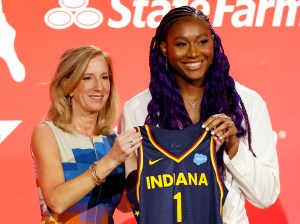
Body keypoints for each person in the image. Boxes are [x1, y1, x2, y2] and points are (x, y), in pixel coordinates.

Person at [119, 6, 280, 224]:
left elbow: (266, 196)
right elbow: (134, 195)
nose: (194, 52)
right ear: (165, 49)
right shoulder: (138, 108)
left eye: (202, 42)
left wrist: (232, 146)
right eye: (181, 44)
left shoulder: (247, 103)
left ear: (213, 43)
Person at [31, 45, 142, 223]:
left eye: (104, 78)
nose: (99, 87)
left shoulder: (114, 142)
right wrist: (111, 160)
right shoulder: (47, 133)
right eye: (88, 78)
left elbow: (126, 205)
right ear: (68, 86)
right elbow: (57, 201)